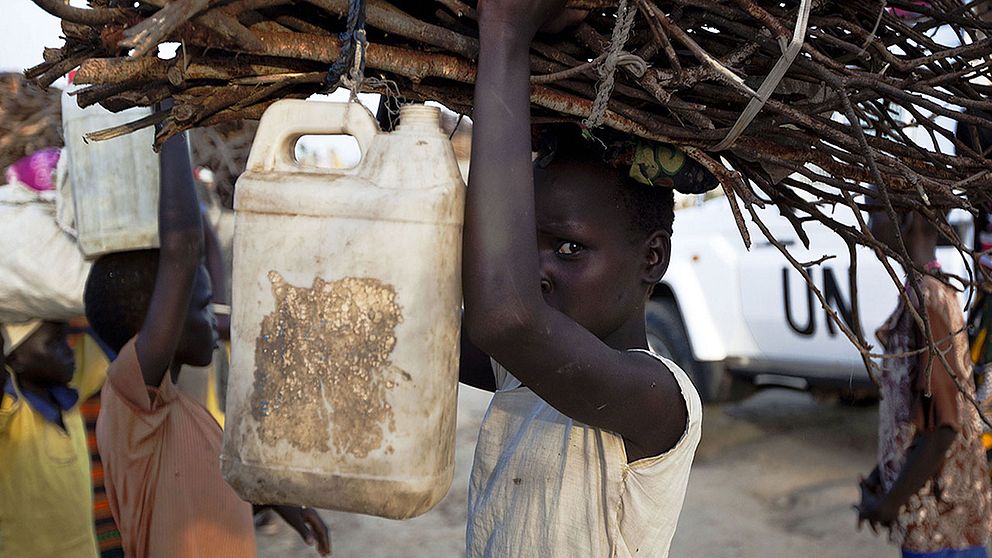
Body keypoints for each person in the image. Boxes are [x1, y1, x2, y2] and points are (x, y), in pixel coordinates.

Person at [459, 2, 709, 556]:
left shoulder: (659, 398)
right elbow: (412, 318)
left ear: (652, 259)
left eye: (570, 249)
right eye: (530, 246)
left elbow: (503, 314)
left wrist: (504, 29)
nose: (537, 271)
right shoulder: (517, 369)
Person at [83, 129, 330, 557]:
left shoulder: (180, 410)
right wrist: (172, 121)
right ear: (164, 318)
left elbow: (210, 473)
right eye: (200, 307)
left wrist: (283, 503)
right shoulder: (132, 404)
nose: (213, 318)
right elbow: (182, 249)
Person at [857, 206, 992, 557]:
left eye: (874, 211)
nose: (868, 224)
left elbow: (945, 426)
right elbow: (919, 417)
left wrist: (890, 504)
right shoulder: (926, 292)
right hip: (937, 526)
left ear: (906, 218)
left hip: (941, 533)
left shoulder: (927, 300)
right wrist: (881, 474)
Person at [0, 320, 104, 558]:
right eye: (54, 343)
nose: (69, 349)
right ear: (15, 359)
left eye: (66, 339)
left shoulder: (72, 396)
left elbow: (108, 323)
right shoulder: (10, 413)